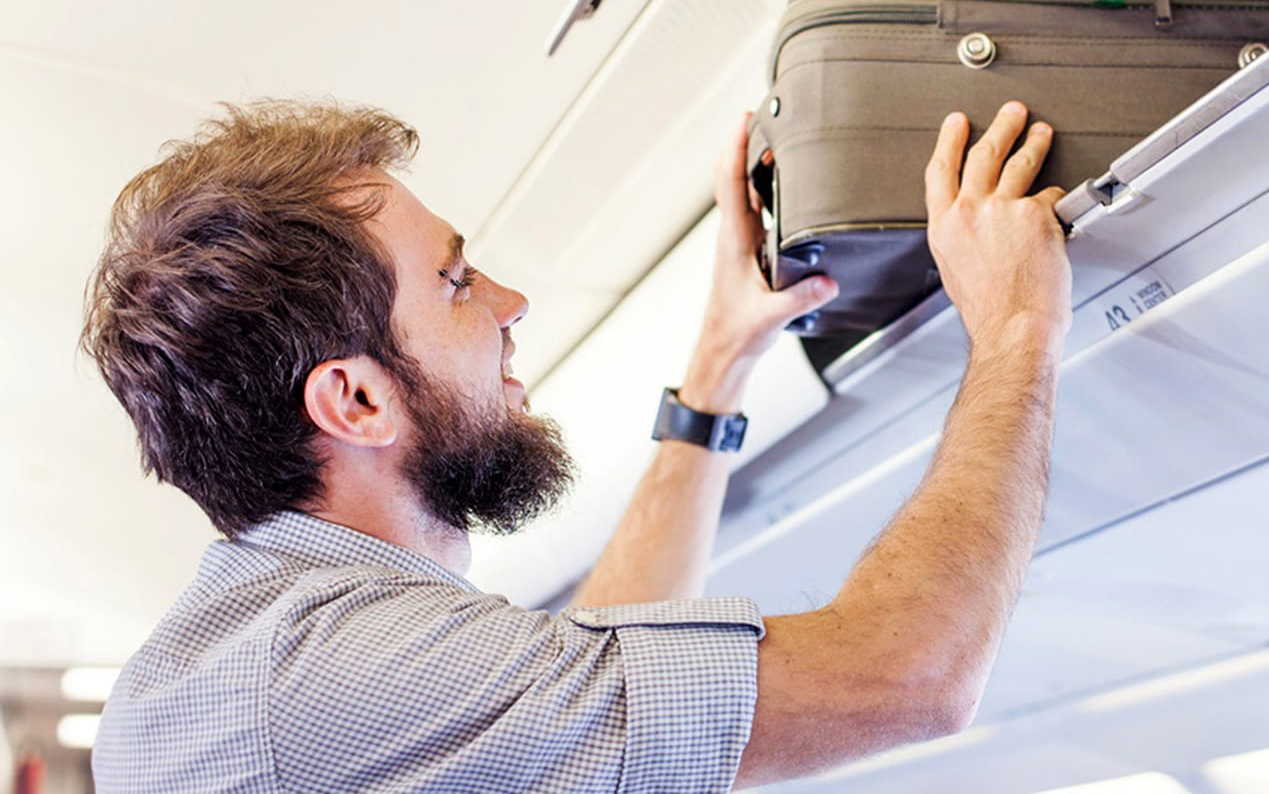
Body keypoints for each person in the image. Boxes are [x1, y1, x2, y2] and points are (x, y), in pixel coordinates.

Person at [80, 98, 1071, 792]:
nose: (512, 304)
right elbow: (906, 675)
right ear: (355, 399)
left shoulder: (268, 648)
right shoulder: (331, 672)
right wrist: (1018, 328)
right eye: (457, 283)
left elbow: (586, 677)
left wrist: (720, 365)